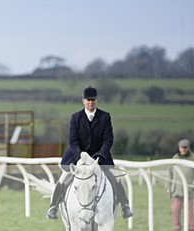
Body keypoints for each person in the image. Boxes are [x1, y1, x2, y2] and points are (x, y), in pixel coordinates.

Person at [46, 85, 134, 220]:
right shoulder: (75, 117)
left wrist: (101, 154)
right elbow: (73, 140)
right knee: (64, 178)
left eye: (93, 100)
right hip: (77, 155)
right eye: (88, 100)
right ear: (83, 101)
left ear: (96, 100)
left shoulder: (105, 117)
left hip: (100, 156)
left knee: (117, 178)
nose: (90, 102)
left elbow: (108, 139)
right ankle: (53, 207)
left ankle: (125, 206)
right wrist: (79, 156)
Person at [166, 138, 194, 231]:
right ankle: (177, 227)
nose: (183, 150)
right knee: (175, 208)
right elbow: (169, 173)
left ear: (188, 148)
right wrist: (168, 187)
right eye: (182, 148)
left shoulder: (192, 158)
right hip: (177, 189)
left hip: (190, 189)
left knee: (189, 209)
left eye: (185, 148)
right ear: (179, 148)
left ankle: (191, 227)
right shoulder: (175, 158)